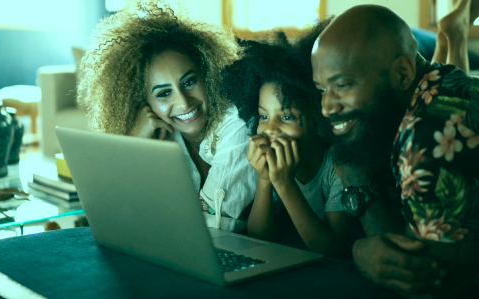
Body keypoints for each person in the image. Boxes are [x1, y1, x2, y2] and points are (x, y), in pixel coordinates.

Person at [311, 3, 479, 298]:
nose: (327, 107)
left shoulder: (431, 138)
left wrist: (357, 187)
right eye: (322, 89)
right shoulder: (442, 81)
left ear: (403, 72)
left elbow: (430, 284)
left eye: (343, 85)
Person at [77, 1, 256, 232]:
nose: (183, 101)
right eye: (163, 93)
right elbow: (109, 214)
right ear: (144, 103)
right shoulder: (161, 135)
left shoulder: (237, 122)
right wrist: (134, 143)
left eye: (189, 81)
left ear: (207, 75)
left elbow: (215, 229)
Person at [222, 29, 353, 258]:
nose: (270, 128)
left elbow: (331, 250)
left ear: (318, 118)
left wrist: (284, 183)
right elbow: (260, 239)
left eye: (286, 117)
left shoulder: (338, 167)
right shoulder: (275, 163)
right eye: (264, 116)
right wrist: (265, 180)